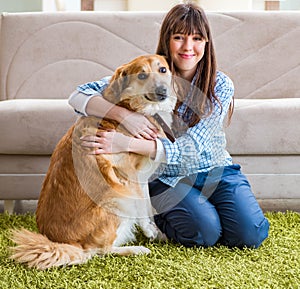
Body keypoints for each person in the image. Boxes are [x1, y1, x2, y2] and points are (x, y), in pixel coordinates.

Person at [68, 2, 269, 248]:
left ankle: (207, 212)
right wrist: (125, 116)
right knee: (204, 233)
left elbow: (191, 148)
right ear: (167, 40)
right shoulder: (149, 71)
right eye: (179, 37)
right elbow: (78, 96)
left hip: (215, 170)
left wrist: (125, 143)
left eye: (197, 38)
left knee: (250, 235)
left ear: (206, 43)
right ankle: (166, 214)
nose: (188, 47)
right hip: (167, 178)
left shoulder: (221, 85)